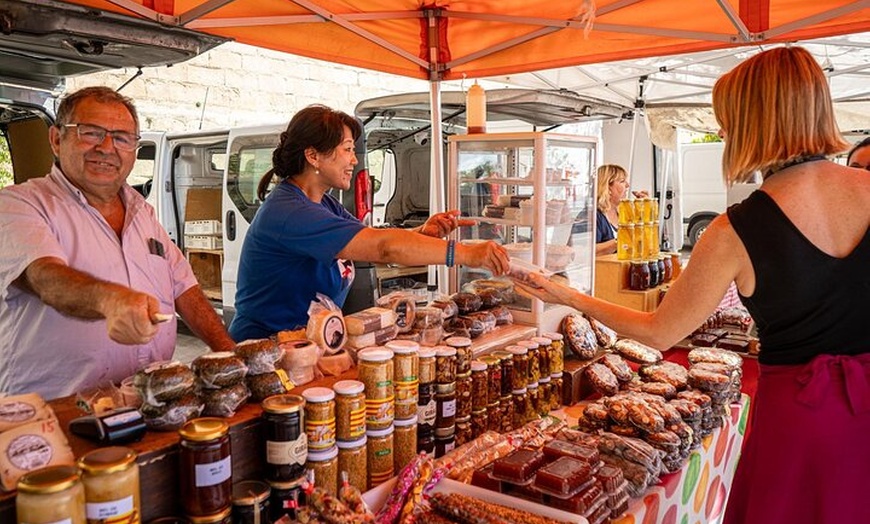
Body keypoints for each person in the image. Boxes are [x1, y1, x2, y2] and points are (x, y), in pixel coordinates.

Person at [516, 47, 870, 523]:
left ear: (757, 121)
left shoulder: (736, 229)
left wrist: (565, 294)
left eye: (728, 119)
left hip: (799, 420)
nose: (723, 132)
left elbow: (661, 331)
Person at [0, 86, 236, 400]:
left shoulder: (143, 213)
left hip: (148, 404)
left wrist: (231, 354)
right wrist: (110, 301)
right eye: (91, 133)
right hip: (55, 413)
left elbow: (185, 290)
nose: (107, 148)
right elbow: (44, 277)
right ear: (57, 140)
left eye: (122, 138)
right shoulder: (19, 205)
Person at [228, 105, 509, 341]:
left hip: (310, 344)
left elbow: (366, 241)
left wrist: (422, 232)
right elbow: (383, 249)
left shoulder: (323, 202)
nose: (354, 159)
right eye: (347, 149)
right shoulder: (290, 212)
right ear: (313, 156)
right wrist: (467, 254)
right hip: (268, 349)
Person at [593, 164, 647, 256]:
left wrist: (644, 210)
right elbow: (588, 251)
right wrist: (621, 241)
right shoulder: (593, 215)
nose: (627, 185)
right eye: (622, 181)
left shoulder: (623, 212)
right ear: (607, 186)